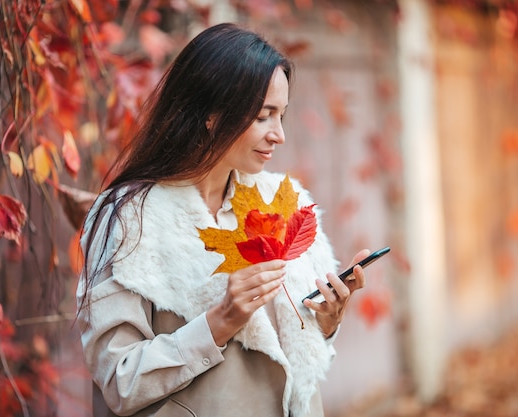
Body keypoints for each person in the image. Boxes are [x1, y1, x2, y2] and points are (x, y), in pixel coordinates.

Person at [76, 23, 368, 417]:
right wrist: (221, 321)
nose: (279, 134)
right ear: (212, 115)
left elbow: (300, 356)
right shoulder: (130, 218)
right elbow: (119, 380)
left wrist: (328, 321)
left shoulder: (281, 202)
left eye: (281, 115)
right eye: (264, 116)